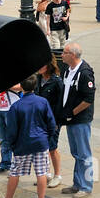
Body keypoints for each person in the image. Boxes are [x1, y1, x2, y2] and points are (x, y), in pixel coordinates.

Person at [0, 76, 57, 198]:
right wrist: (46, 138)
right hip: (40, 143)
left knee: (15, 173)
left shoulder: (16, 106)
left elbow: (12, 131)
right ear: (35, 86)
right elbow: (51, 124)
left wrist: (13, 145)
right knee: (41, 173)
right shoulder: (43, 102)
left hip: (23, 145)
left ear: (22, 87)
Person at [59, 42, 96, 198]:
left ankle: (86, 187)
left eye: (65, 52)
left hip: (79, 119)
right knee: (76, 153)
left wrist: (72, 113)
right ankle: (77, 183)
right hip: (70, 119)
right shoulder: (68, 70)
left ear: (72, 55)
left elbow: (88, 99)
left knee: (84, 154)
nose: (62, 55)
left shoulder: (85, 73)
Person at [35, 56, 65, 188]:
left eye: (42, 65)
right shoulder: (38, 79)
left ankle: (57, 175)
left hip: (52, 121)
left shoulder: (57, 82)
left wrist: (57, 123)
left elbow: (60, 104)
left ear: (49, 66)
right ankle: (46, 174)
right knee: (42, 148)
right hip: (39, 121)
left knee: (52, 148)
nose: (39, 68)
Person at [0, 83, 20, 174]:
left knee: (14, 138)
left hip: (12, 108)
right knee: (2, 139)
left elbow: (23, 86)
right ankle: (5, 164)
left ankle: (18, 165)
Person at [46, 0, 70, 64]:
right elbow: (48, 18)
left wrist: (66, 17)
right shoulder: (50, 6)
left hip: (63, 27)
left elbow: (68, 10)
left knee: (63, 45)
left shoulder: (64, 3)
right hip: (54, 29)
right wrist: (48, 29)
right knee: (56, 46)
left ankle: (63, 61)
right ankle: (56, 62)